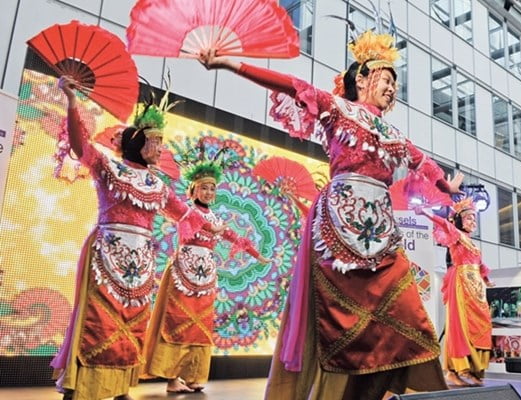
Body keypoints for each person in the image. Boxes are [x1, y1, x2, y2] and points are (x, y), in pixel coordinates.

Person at [199, 30, 463, 399]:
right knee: (340, 317)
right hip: (338, 225)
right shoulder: (336, 109)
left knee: (405, 310)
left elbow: (423, 162)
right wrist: (230, 64)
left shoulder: (393, 133)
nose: (391, 89)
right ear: (363, 79)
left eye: (394, 84)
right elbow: (291, 84)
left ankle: (386, 388)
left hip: (382, 232)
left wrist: (446, 187)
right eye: (386, 80)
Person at [50, 76, 219, 400]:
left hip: (141, 261)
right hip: (107, 254)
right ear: (139, 143)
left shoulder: (158, 186)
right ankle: (85, 385)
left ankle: (120, 385)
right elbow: (79, 145)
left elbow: (187, 214)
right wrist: (72, 101)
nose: (161, 147)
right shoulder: (109, 168)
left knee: (133, 321)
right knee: (98, 320)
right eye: (156, 141)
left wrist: (228, 235)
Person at [142, 159, 270, 393]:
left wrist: (257, 255)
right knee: (177, 321)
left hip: (206, 276)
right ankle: (171, 378)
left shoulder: (216, 219)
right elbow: (181, 218)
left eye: (212, 188)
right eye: (204, 187)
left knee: (200, 324)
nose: (209, 192)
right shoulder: (185, 211)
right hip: (184, 272)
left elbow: (236, 238)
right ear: (193, 189)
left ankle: (193, 376)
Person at [416, 197, 494, 387]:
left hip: (477, 289)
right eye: (468, 218)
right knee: (460, 326)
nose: (472, 222)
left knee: (482, 325)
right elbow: (442, 222)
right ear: (459, 220)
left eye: (474, 219)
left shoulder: (474, 245)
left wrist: (486, 279)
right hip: (460, 283)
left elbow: (480, 265)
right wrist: (426, 212)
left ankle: (476, 370)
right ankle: (453, 370)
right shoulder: (456, 235)